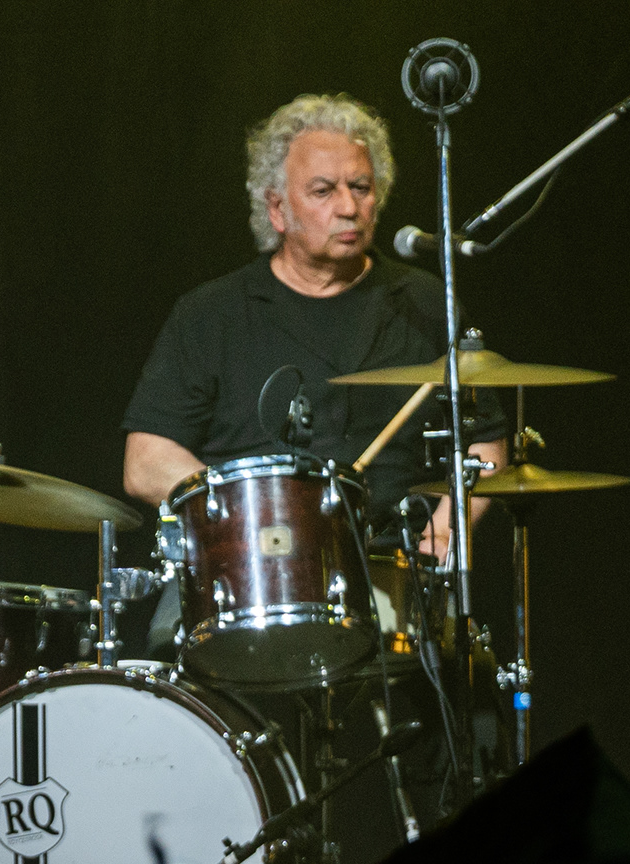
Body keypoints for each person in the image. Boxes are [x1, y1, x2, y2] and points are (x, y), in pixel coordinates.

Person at [120, 93, 506, 555]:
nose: (348, 207)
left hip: (395, 565)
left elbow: (484, 446)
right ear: (277, 209)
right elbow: (145, 462)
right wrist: (248, 515)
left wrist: (442, 535)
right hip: (253, 563)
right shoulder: (211, 313)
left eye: (360, 187)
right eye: (323, 191)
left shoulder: (424, 304)